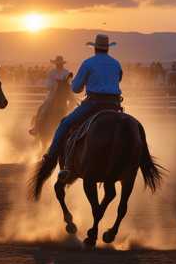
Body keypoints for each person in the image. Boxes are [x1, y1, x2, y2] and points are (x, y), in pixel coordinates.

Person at [43, 34, 123, 172]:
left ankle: (51, 155)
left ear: (95, 48)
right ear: (108, 49)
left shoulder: (88, 63)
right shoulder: (116, 64)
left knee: (65, 123)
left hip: (93, 104)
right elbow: (118, 79)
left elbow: (75, 88)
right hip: (114, 105)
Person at [29, 56, 71, 135]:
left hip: (64, 96)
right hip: (52, 95)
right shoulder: (52, 73)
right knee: (42, 109)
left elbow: (69, 84)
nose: (59, 65)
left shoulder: (66, 73)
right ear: (55, 64)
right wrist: (54, 85)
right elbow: (48, 85)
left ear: (62, 64)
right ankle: (36, 128)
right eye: (58, 64)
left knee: (72, 109)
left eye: (60, 63)